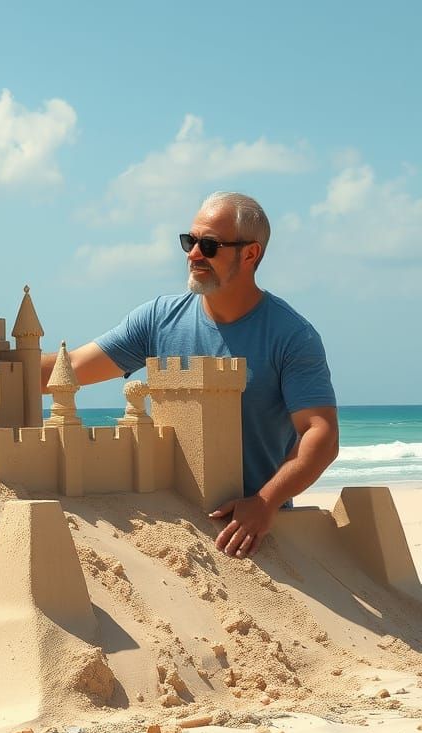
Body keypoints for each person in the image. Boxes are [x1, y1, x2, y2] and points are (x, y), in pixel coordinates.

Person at [43, 191, 338, 559]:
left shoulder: (291, 335)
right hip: (172, 531)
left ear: (250, 254)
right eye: (190, 240)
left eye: (210, 245)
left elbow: (320, 433)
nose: (193, 254)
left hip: (245, 534)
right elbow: (68, 369)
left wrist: (265, 503)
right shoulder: (158, 319)